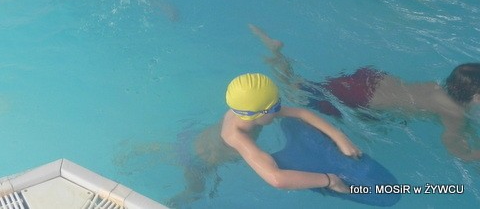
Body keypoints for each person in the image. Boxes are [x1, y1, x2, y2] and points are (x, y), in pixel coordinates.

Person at [248, 23, 480, 162]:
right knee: (293, 92)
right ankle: (277, 56)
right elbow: (454, 147)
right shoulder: (455, 114)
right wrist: (472, 155)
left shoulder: (437, 86)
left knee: (372, 120)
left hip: (375, 80)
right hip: (363, 98)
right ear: (476, 97)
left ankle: (279, 57)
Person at [168, 72, 360, 206]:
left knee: (168, 151)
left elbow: (301, 113)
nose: (280, 109)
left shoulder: (246, 109)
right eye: (275, 107)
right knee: (195, 193)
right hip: (199, 162)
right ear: (258, 114)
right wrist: (329, 180)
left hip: (197, 138)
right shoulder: (237, 137)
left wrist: (339, 136)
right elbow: (277, 179)